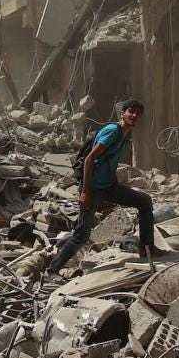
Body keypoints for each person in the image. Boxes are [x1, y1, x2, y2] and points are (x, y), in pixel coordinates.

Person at [46, 100, 154, 277]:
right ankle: (52, 270)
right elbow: (89, 159)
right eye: (131, 112)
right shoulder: (113, 131)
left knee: (144, 201)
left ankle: (147, 249)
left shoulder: (125, 134)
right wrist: (86, 192)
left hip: (109, 186)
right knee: (81, 236)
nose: (134, 116)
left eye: (137, 113)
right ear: (123, 114)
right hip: (94, 189)